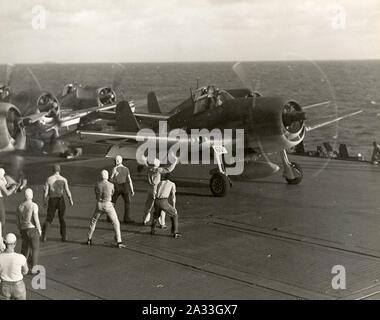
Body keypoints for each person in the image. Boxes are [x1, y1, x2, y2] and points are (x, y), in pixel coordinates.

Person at [87, 170, 126, 248]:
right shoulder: (111, 185)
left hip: (99, 205)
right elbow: (112, 193)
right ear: (107, 176)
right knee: (116, 222)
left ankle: (89, 238)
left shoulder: (97, 184)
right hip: (108, 205)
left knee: (93, 221)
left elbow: (96, 193)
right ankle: (119, 241)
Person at [142, 154, 178, 226]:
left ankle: (145, 220)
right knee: (161, 206)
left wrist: (145, 160)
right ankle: (162, 223)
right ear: (158, 164)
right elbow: (169, 169)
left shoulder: (150, 169)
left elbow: (146, 164)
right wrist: (175, 162)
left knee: (148, 205)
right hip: (156, 189)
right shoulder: (158, 170)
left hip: (150, 188)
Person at [41, 164, 73, 242]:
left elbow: (46, 192)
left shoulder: (49, 179)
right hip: (60, 199)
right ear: (59, 170)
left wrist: (44, 201)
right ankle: (64, 237)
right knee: (62, 219)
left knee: (49, 218)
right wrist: (70, 199)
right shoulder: (64, 179)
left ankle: (44, 236)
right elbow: (67, 191)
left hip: (52, 199)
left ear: (53, 170)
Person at [16, 188, 41, 271]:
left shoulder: (20, 206)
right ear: (32, 195)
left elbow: (18, 221)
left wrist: (21, 230)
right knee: (35, 249)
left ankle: (22, 267)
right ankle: (34, 268)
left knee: (25, 249)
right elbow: (36, 219)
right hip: (32, 229)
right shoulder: (34, 205)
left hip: (24, 229)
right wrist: (39, 230)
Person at [0, 233, 29, 300]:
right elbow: (25, 271)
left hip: (4, 286)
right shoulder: (21, 257)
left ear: (4, 243)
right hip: (18, 286)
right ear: (15, 244)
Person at [110, 155, 135, 224]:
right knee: (127, 203)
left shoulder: (114, 169)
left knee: (113, 202)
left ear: (116, 161)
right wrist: (132, 190)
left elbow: (111, 179)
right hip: (125, 186)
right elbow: (129, 180)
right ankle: (127, 218)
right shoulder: (126, 169)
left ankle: (110, 217)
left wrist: (111, 188)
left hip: (117, 186)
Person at [0, 168, 19, 233]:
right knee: (2, 219)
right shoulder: (1, 181)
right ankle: (1, 236)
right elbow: (7, 193)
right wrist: (13, 188)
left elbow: (5, 185)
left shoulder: (2, 180)